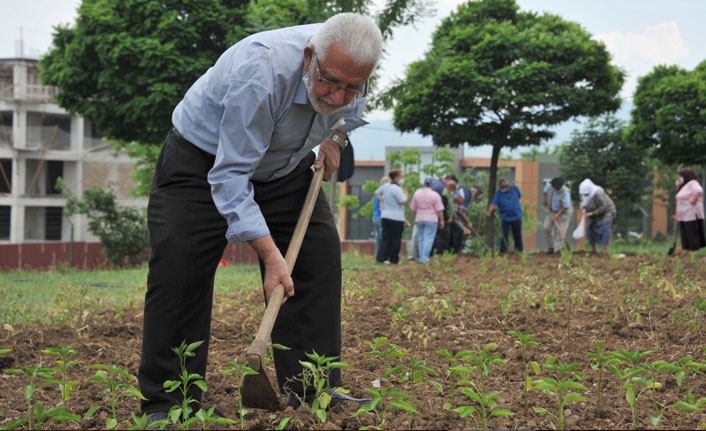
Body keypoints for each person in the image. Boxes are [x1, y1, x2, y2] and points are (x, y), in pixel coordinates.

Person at [138, 13, 383, 421]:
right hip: (203, 162)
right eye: (329, 82)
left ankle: (312, 389)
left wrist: (336, 138)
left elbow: (346, 115)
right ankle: (170, 403)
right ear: (309, 58)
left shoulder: (354, 64)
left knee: (316, 256)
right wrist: (271, 256)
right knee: (180, 269)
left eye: (351, 87)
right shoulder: (261, 72)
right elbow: (231, 175)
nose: (338, 96)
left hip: (285, 166)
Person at [375, 169, 408, 264]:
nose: (402, 179)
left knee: (386, 238)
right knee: (396, 239)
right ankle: (394, 259)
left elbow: (376, 193)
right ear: (396, 177)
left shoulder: (385, 186)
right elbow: (403, 202)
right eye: (401, 177)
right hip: (396, 217)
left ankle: (381, 258)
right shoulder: (397, 189)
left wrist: (383, 200)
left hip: (385, 215)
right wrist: (406, 195)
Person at [410, 177, 445, 263]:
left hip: (419, 218)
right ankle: (425, 258)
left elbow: (413, 208)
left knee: (421, 238)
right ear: (432, 184)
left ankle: (421, 256)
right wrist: (442, 220)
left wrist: (414, 219)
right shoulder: (435, 194)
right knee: (428, 238)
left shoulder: (417, 193)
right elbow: (439, 210)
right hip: (431, 218)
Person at [579, 178, 616, 254]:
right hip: (593, 213)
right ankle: (593, 250)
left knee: (605, 228)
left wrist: (591, 213)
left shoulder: (598, 193)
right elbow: (584, 203)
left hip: (606, 212)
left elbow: (604, 207)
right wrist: (584, 209)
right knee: (591, 228)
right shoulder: (583, 194)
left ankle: (604, 250)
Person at [486, 179, 523, 253]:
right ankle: (503, 251)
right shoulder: (498, 193)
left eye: (504, 187)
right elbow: (494, 203)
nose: (503, 189)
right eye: (501, 188)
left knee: (517, 234)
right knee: (504, 235)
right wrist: (489, 212)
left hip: (516, 216)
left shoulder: (515, 189)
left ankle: (519, 250)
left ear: (507, 186)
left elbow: (519, 196)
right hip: (505, 218)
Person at [675, 168, 705, 251]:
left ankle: (693, 250)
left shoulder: (693, 183)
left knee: (691, 232)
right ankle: (687, 250)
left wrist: (692, 200)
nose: (679, 179)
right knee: (685, 233)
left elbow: (699, 190)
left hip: (690, 213)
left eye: (681, 177)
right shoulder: (684, 185)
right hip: (683, 215)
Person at [543, 177, 573, 253]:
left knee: (560, 231)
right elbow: (545, 192)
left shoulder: (566, 191)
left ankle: (557, 250)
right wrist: (545, 199)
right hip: (551, 210)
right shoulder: (549, 187)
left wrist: (557, 215)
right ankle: (551, 247)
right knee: (547, 228)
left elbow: (565, 206)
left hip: (564, 213)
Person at [372, 176, 390, 258]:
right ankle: (382, 256)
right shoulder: (382, 193)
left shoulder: (377, 192)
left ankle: (377, 255)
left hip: (375, 217)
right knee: (383, 237)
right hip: (380, 216)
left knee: (378, 238)